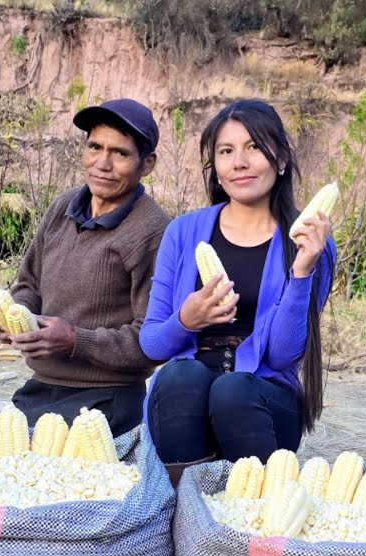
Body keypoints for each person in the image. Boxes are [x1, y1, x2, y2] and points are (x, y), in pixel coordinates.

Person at [139, 99, 335, 480]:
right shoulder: (181, 233)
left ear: (280, 159)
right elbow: (152, 345)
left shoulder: (311, 241)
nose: (239, 162)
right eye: (226, 151)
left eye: (254, 147)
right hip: (184, 398)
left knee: (232, 392)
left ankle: (254, 513)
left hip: (262, 398)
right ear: (216, 168)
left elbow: (281, 357)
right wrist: (186, 320)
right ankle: (184, 510)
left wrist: (301, 272)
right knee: (181, 377)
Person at [0, 98, 169, 437]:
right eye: (94, 147)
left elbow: (153, 340)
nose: (102, 163)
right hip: (42, 386)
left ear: (147, 164)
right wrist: (15, 315)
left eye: (120, 153)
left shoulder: (152, 231)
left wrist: (75, 340)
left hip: (106, 400)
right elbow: (30, 283)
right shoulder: (63, 207)